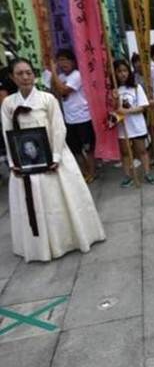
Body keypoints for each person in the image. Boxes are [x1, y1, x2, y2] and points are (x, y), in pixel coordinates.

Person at [1, 58, 105, 262]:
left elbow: (58, 128)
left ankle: (67, 240)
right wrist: (15, 163)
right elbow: (7, 132)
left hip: (53, 157)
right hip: (25, 162)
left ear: (34, 75)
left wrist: (55, 157)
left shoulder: (47, 99)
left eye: (28, 72)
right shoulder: (8, 103)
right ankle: (39, 247)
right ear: (12, 77)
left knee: (58, 201)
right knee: (34, 204)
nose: (25, 77)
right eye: (20, 73)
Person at [50, 48, 97, 183]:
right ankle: (85, 171)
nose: (62, 63)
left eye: (65, 60)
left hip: (83, 118)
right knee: (76, 150)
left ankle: (92, 172)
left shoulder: (77, 75)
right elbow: (54, 92)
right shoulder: (61, 77)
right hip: (69, 120)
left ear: (72, 61)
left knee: (88, 148)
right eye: (59, 61)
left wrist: (53, 72)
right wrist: (54, 75)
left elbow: (64, 90)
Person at [112, 59, 154, 187]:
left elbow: (142, 107)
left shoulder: (136, 88)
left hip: (136, 125)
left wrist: (126, 111)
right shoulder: (114, 90)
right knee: (125, 153)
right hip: (123, 127)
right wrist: (114, 101)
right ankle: (127, 176)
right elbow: (113, 110)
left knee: (142, 151)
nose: (122, 74)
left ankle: (147, 173)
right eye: (119, 71)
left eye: (125, 70)